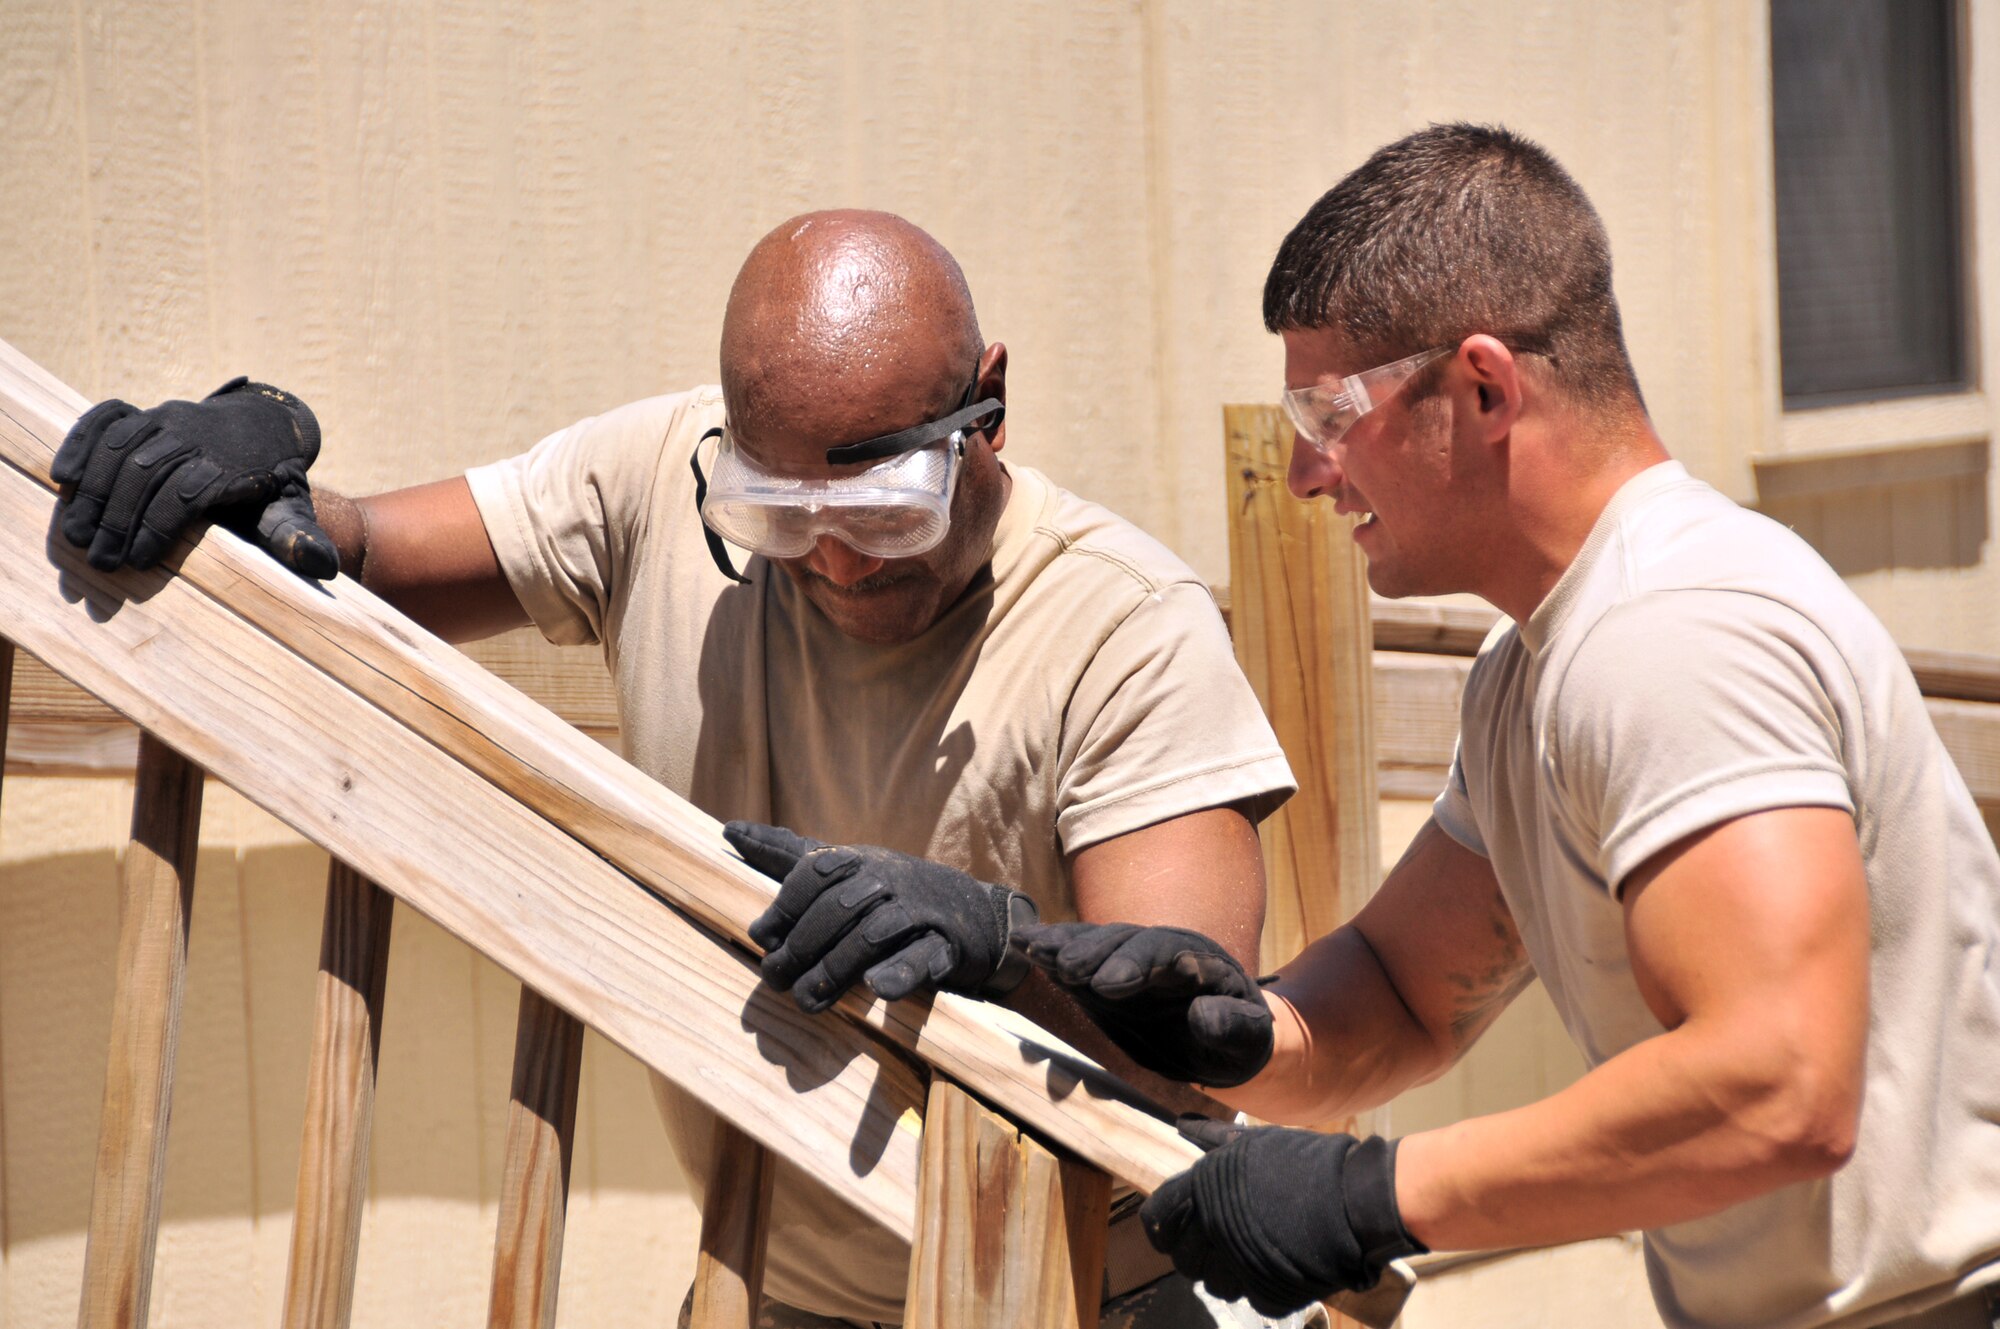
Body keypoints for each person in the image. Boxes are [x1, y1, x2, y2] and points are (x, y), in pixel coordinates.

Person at [747, 128, 2000, 1329]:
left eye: (1328, 418)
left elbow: (1780, 1084)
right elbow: (1402, 998)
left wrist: (1371, 1198)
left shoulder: (1672, 634)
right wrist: (1200, 1029)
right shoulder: (1536, 673)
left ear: (1481, 386)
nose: (1303, 476)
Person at [50, 211, 1302, 1328]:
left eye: (883, 514)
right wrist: (250, 469)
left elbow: (1191, 1037)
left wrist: (1000, 949)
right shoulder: (661, 481)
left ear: (990, 404)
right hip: (781, 1284)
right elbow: (370, 553)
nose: (837, 566)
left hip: (1084, 1290)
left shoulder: (1124, 626)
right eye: (780, 518)